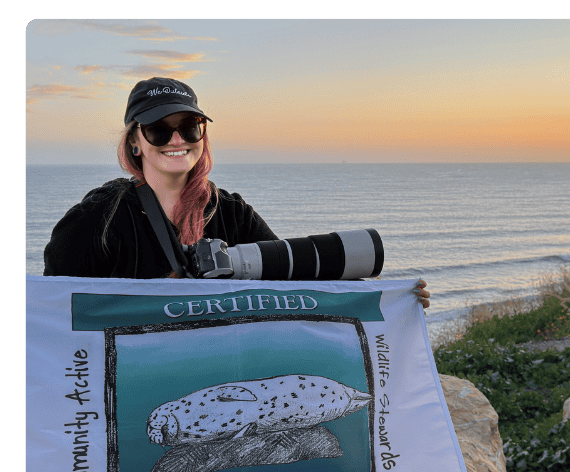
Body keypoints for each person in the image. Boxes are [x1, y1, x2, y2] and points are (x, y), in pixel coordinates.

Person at [42, 77, 428, 307]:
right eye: (159, 128)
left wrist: (388, 297)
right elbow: (54, 306)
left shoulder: (230, 212)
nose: (176, 139)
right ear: (135, 143)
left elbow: (293, 281)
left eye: (190, 126)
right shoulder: (98, 218)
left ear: (202, 135)